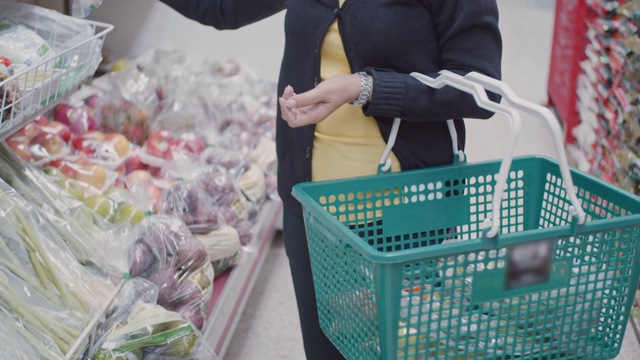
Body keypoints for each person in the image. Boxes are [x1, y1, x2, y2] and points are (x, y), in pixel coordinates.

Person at [158, 1, 502, 359]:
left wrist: (365, 88)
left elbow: (481, 87)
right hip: (310, 209)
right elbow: (222, 9)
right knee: (327, 349)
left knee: (408, 348)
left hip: (403, 217)